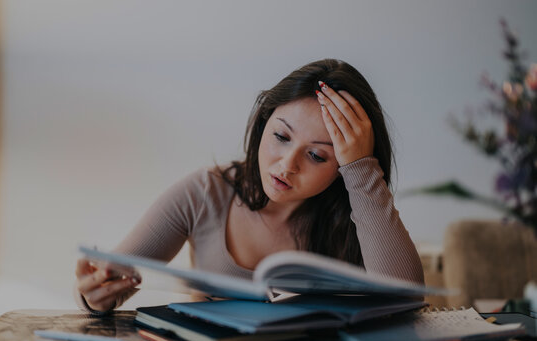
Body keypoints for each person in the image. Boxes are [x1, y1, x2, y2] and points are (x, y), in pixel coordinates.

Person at [75, 59, 424, 313]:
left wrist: (362, 172)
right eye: (281, 136)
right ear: (263, 122)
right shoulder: (205, 194)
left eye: (317, 156)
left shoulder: (355, 212)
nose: (287, 165)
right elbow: (110, 278)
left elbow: (407, 303)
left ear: (342, 168)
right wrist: (94, 297)